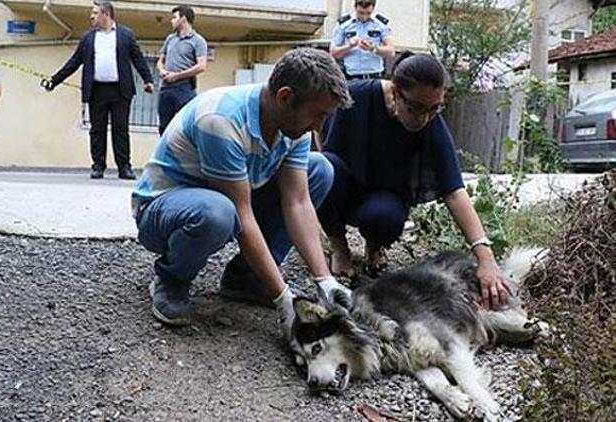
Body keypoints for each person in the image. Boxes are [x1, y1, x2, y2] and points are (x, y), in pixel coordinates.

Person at [132, 48, 353, 337]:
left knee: (319, 170)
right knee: (218, 213)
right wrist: (283, 299)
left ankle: (246, 278)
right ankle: (171, 278)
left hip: (227, 198)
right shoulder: (221, 120)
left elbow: (297, 201)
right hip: (163, 211)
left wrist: (324, 280)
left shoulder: (292, 125)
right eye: (317, 115)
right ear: (285, 97)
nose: (319, 126)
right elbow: (242, 213)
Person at [317, 52, 511, 310]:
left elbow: (454, 192)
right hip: (345, 186)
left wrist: (486, 259)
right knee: (324, 167)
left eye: (434, 109)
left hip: (383, 198)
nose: (424, 118)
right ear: (396, 92)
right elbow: (321, 135)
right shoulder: (357, 97)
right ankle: (339, 247)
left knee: (383, 216)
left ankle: (374, 247)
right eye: (416, 108)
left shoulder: (431, 122)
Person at [44, 1, 155, 180]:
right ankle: (98, 166)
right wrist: (54, 80)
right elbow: (74, 62)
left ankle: (124, 167)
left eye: (95, 13)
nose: (91, 16)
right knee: (97, 130)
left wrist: (148, 80)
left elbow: (138, 59)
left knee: (121, 129)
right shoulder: (88, 38)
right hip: (97, 90)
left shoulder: (126, 35)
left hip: (120, 90)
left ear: (106, 14)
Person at [156, 5, 207, 135]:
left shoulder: (198, 41)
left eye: (174, 17)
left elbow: (202, 66)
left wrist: (177, 76)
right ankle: (165, 154)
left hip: (184, 88)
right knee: (164, 127)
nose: (171, 21)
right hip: (166, 88)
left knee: (188, 124)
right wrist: (162, 70)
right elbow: (160, 61)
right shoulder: (170, 39)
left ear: (183, 19)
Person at [330, 0, 395, 80]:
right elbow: (333, 52)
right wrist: (349, 46)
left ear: (373, 8)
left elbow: (391, 52)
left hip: (374, 76)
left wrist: (373, 48)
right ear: (355, 7)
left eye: (368, 13)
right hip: (351, 76)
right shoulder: (344, 24)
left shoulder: (381, 24)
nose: (364, 16)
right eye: (361, 13)